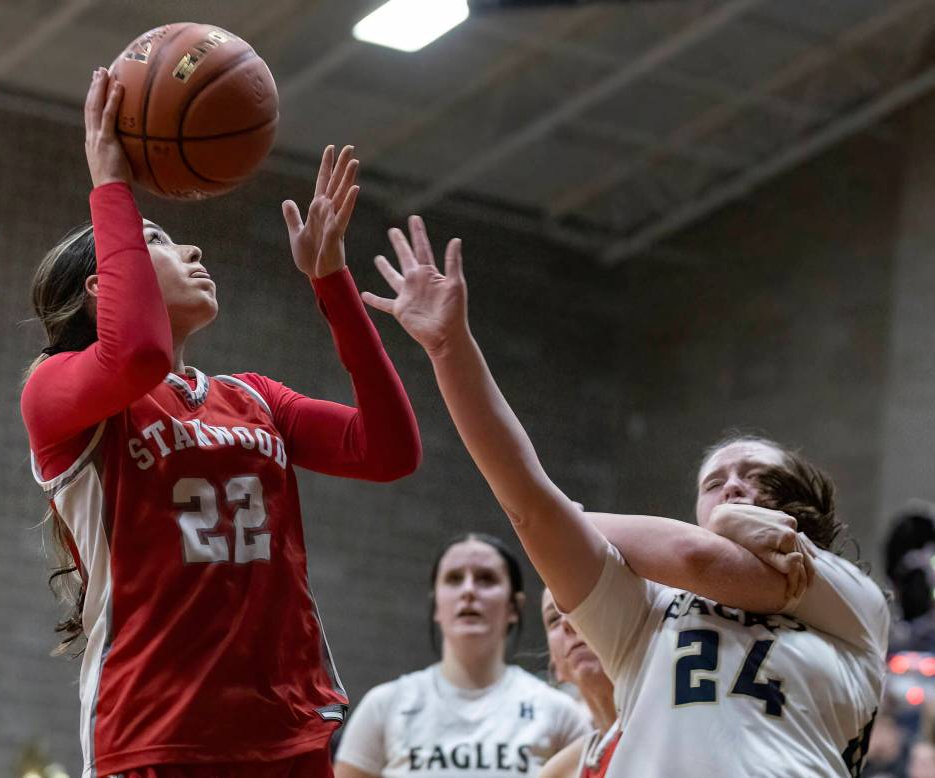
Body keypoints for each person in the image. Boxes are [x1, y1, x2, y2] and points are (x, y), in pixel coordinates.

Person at [361, 216, 890, 777]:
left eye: (757, 476)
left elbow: (697, 556)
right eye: (713, 482)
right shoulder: (647, 612)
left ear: (803, 504)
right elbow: (528, 501)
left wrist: (567, 515)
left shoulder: (853, 597)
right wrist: (450, 349)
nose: (732, 486)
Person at [20, 69, 421, 778]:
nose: (195, 251)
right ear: (102, 284)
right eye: (160, 240)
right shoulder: (57, 394)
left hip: (288, 728)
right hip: (155, 733)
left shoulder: (254, 396)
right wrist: (110, 180)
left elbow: (389, 450)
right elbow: (137, 354)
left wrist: (331, 279)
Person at [334, 533, 589, 777]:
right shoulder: (384, 705)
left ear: (514, 607)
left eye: (486, 579)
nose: (468, 591)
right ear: (436, 606)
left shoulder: (560, 713)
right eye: (454, 579)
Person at [538, 587, 618, 778]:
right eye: (553, 619)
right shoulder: (557, 772)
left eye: (582, 604)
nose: (566, 621)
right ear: (555, 664)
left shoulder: (674, 726)